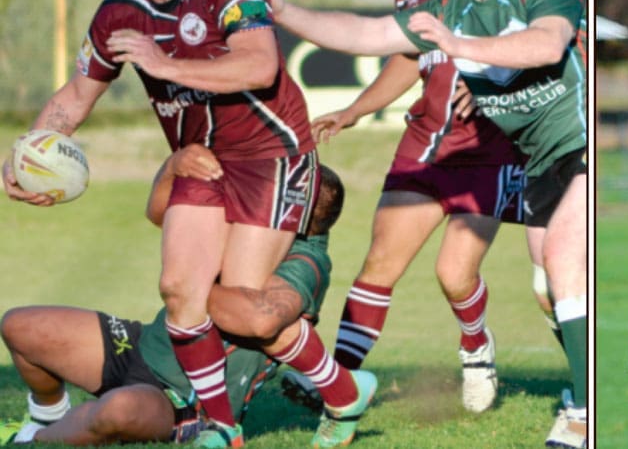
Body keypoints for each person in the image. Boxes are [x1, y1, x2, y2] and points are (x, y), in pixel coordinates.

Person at [0, 0, 367, 448]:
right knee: (179, 289)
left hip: (272, 155)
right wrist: (30, 155)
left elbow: (259, 66)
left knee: (239, 299)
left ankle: (341, 393)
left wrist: (162, 62)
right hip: (204, 161)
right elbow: (75, 97)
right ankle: (222, 429)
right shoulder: (120, 13)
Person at [268, 0, 589, 448]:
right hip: (540, 162)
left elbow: (546, 44)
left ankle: (583, 410)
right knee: (548, 285)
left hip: (577, 146)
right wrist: (285, 10)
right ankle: (583, 388)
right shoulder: (450, 5)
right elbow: (365, 33)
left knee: (560, 266)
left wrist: (458, 47)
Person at [284, 0, 526, 416]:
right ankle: (339, 385)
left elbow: (547, 45)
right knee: (378, 267)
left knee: (453, 274)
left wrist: (495, 87)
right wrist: (353, 110)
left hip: (487, 148)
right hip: (426, 143)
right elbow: (406, 58)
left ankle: (476, 349)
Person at [0, 153, 367, 447]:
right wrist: (175, 164)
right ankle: (46, 416)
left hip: (181, 397)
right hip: (145, 346)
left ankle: (32, 439)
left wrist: (188, 285)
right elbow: (159, 212)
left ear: (294, 210)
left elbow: (262, 321)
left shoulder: (307, 262)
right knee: (21, 325)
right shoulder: (251, 224)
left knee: (117, 411)